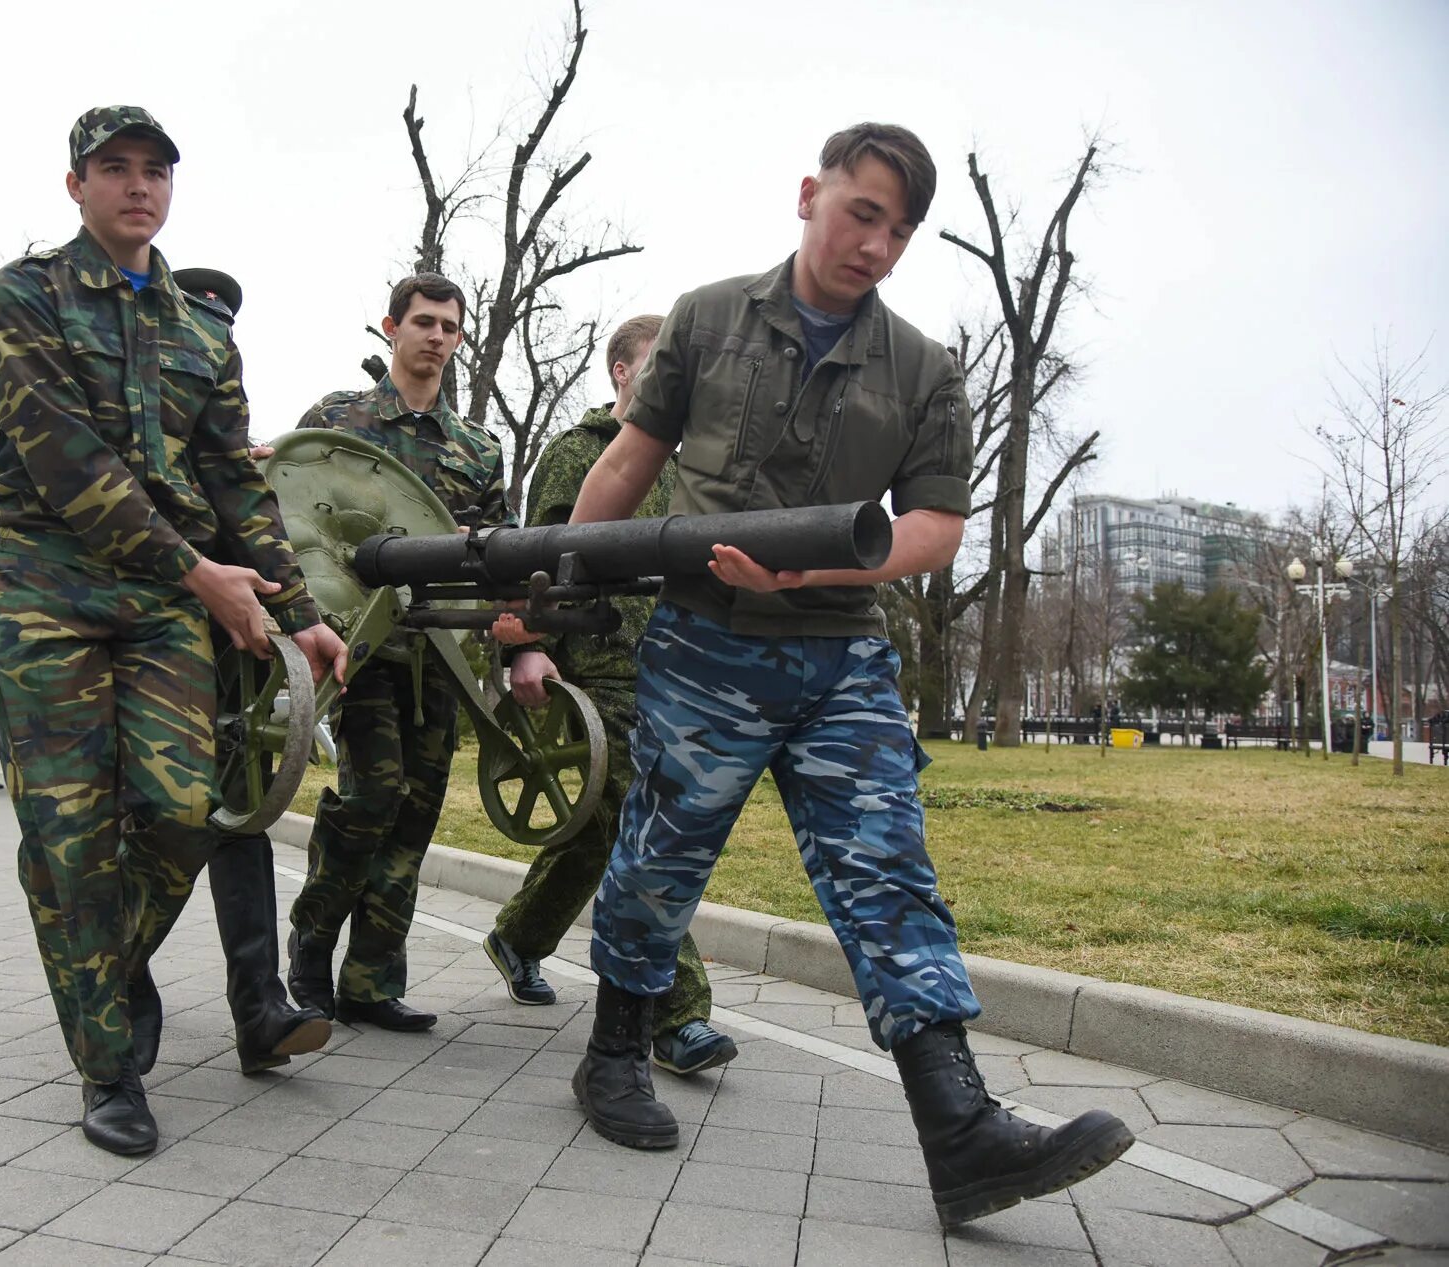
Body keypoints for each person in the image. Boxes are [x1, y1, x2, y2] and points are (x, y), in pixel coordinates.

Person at [563, 124, 1133, 1225]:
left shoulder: (922, 367)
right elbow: (631, 459)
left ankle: (959, 1128)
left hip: (840, 654)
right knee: (660, 856)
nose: (875, 243)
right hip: (702, 642)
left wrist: (807, 571)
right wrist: (553, 580)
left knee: (888, 870)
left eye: (900, 229)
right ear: (808, 194)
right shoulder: (706, 317)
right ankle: (613, 1051)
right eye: (860, 212)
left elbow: (934, 528)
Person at [0, 105, 347, 1155]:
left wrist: (300, 613)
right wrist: (204, 575)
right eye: (115, 168)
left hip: (166, 605)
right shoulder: (23, 298)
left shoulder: (198, 331)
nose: (138, 186)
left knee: (187, 810)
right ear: (76, 184)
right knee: (70, 836)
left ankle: (95, 970)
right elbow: (63, 461)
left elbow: (234, 477)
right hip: (49, 588)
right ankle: (109, 1066)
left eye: (155, 172)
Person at [486, 316, 737, 1075]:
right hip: (597, 669)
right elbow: (542, 559)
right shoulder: (580, 453)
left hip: (673, 666)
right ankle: (677, 1013)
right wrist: (527, 647)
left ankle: (520, 936)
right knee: (647, 826)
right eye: (661, 361)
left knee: (598, 836)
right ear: (623, 373)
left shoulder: (689, 463)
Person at [286, 273, 512, 1033]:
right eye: (423, 322)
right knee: (368, 798)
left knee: (415, 812)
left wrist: (515, 632)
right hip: (359, 644)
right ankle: (309, 958)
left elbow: (499, 551)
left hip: (437, 648)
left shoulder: (476, 448)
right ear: (391, 328)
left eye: (450, 326)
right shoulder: (338, 421)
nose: (438, 337)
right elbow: (292, 511)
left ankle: (372, 979)